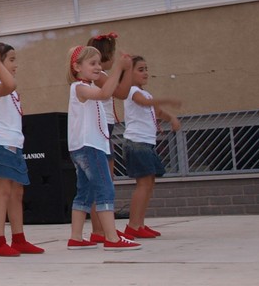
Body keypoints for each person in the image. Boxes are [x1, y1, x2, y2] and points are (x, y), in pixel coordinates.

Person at [0, 43, 45, 257]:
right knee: (3, 192)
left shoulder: (4, 88)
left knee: (17, 192)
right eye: (11, 60)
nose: (16, 65)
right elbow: (10, 84)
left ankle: (18, 238)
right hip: (0, 144)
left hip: (13, 144)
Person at [66, 45, 140, 251]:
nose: (98, 67)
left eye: (99, 63)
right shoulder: (80, 87)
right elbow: (106, 93)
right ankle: (112, 237)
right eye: (92, 63)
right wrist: (118, 68)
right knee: (105, 189)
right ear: (77, 67)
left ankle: (76, 237)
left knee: (84, 192)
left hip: (83, 147)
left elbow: (106, 92)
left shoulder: (86, 87)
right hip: (90, 146)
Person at [121, 56, 182, 239]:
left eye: (146, 68)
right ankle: (132, 225)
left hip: (147, 143)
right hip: (136, 143)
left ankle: (139, 224)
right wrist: (167, 99)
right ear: (128, 74)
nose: (145, 72)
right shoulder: (131, 90)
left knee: (149, 183)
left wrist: (171, 117)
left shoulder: (146, 93)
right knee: (143, 183)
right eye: (140, 69)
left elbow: (156, 111)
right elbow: (144, 103)